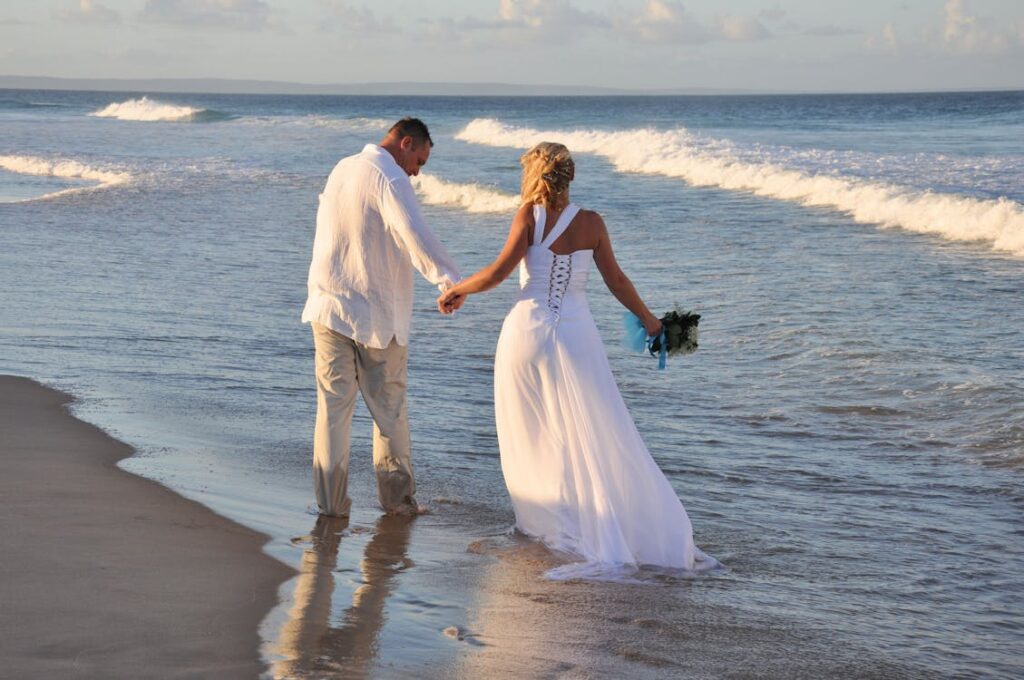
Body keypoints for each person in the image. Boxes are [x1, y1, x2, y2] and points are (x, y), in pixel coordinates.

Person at [437, 142, 715, 577]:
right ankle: (603, 522)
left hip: (526, 332)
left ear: (534, 175)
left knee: (534, 431)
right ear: (571, 176)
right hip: (577, 334)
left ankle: (549, 523)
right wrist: (652, 322)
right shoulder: (592, 223)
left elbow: (497, 273)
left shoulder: (529, 216)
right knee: (598, 428)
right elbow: (617, 281)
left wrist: (458, 290)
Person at [302, 117, 462, 517]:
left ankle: (330, 506)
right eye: (419, 161)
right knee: (389, 413)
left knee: (332, 412)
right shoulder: (390, 178)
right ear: (406, 144)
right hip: (375, 314)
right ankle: (398, 503)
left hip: (327, 305)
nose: (417, 171)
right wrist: (449, 282)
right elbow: (414, 233)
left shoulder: (342, 167)